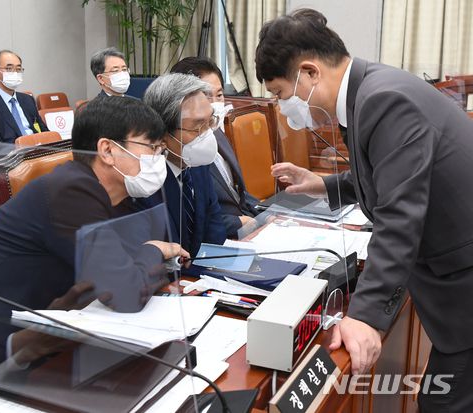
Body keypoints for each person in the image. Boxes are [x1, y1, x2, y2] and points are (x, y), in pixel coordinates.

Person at [0, 96, 187, 413]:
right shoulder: (73, 190)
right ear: (107, 150)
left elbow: (113, 272)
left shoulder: (99, 191)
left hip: (31, 338)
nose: (157, 159)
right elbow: (124, 291)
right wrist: (153, 250)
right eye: (152, 148)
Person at [256, 8, 473, 411]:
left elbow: (400, 214)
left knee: (444, 403)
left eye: (281, 94)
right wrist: (323, 184)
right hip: (453, 276)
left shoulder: (383, 100)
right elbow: (391, 174)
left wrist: (365, 316)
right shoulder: (369, 90)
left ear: (309, 72)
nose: (283, 107)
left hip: (462, 283)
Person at [134, 73, 226, 257]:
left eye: (210, 122)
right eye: (198, 126)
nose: (207, 134)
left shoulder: (198, 163)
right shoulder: (144, 181)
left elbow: (215, 228)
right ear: (162, 135)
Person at [171, 57, 260, 238]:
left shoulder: (217, 131)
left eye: (219, 95)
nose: (214, 104)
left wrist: (265, 215)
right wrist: (239, 223)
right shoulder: (186, 149)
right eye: (206, 96)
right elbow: (195, 219)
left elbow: (239, 194)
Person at [0, 50, 47, 143]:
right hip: (15, 151)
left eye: (18, 69)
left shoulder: (28, 100)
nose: (15, 73)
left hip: (39, 148)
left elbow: (43, 130)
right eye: (9, 69)